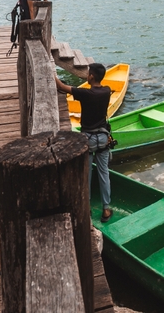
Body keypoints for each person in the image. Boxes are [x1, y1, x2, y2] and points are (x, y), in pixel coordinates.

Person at [54, 63, 114, 221]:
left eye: (88, 73)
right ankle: (106, 209)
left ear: (91, 76)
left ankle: (86, 208)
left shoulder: (85, 94)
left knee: (86, 174)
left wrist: (52, 74)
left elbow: (61, 86)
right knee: (104, 173)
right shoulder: (107, 91)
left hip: (88, 139)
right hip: (103, 138)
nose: (87, 75)